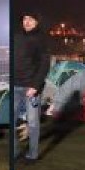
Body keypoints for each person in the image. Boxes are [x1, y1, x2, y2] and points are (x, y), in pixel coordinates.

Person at [14, 12, 51, 162]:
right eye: (24, 18)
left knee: (33, 122)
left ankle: (32, 154)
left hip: (31, 88)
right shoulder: (17, 37)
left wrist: (35, 86)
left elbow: (44, 64)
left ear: (37, 22)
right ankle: (15, 152)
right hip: (15, 86)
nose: (27, 22)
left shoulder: (41, 39)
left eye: (31, 19)